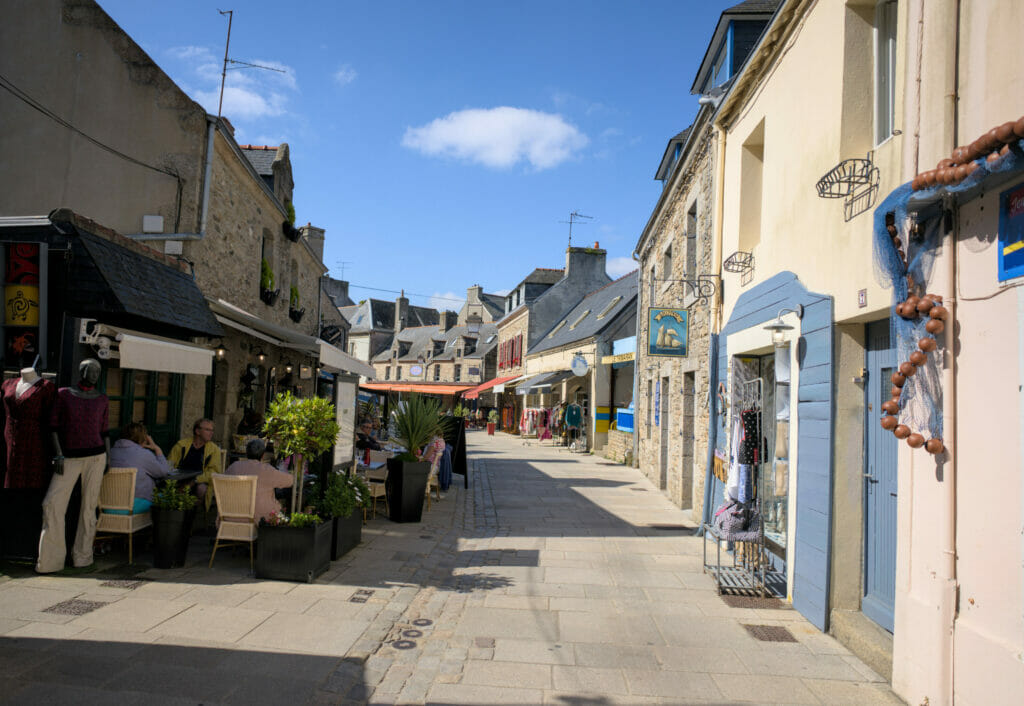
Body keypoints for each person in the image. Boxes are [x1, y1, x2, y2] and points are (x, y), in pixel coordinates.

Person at [37, 358, 110, 573]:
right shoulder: (64, 394)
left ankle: (83, 556)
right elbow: (53, 426)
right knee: (52, 503)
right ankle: (50, 561)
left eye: (98, 371)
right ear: (82, 371)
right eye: (91, 370)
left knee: (89, 507)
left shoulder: (102, 399)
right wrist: (58, 454)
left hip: (97, 456)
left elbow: (105, 430)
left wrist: (109, 456)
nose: (95, 375)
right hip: (68, 457)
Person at [107, 421, 170, 514]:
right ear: (143, 438)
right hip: (131, 507)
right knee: (170, 498)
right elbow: (164, 472)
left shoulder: (110, 453)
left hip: (108, 506)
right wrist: (157, 449)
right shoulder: (143, 454)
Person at [225, 438, 292, 522]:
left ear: (246, 453)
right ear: (263, 455)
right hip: (261, 518)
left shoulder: (234, 467)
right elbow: (290, 481)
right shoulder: (267, 470)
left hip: (232, 515)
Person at [168, 418, 222, 509]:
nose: (211, 433)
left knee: (201, 489)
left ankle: (193, 513)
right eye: (208, 430)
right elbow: (169, 464)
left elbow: (214, 472)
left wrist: (194, 481)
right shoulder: (181, 445)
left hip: (199, 481)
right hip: (180, 479)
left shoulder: (214, 449)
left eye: (212, 430)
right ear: (197, 431)